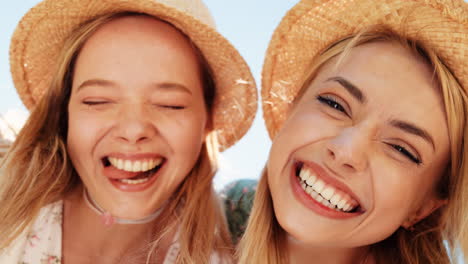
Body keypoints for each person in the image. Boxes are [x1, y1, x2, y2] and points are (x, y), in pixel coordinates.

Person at [0, 0, 257, 263]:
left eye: (170, 104)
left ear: (208, 119)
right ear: (64, 113)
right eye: (98, 101)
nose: (133, 130)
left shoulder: (243, 232)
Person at [238, 0, 467, 263]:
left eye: (401, 149)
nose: (347, 150)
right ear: (293, 105)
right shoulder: (214, 222)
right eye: (334, 104)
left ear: (424, 208)